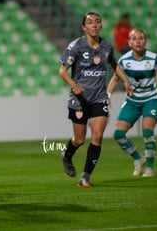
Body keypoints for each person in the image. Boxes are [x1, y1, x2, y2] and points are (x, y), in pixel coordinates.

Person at [59, 12, 133, 187]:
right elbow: (62, 72)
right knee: (79, 140)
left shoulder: (106, 47)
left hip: (99, 98)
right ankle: (66, 155)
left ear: (100, 26)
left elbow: (114, 64)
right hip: (79, 100)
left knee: (97, 136)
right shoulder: (76, 46)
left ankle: (85, 177)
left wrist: (126, 81)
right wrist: (74, 86)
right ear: (84, 27)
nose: (94, 25)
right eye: (90, 23)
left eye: (97, 22)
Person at [107, 28, 157, 177]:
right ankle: (138, 158)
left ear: (145, 41)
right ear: (129, 42)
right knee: (118, 134)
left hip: (151, 99)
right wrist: (108, 95)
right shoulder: (124, 60)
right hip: (132, 101)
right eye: (134, 39)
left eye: (141, 38)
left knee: (147, 130)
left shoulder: (154, 58)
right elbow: (115, 79)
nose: (138, 41)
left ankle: (150, 167)